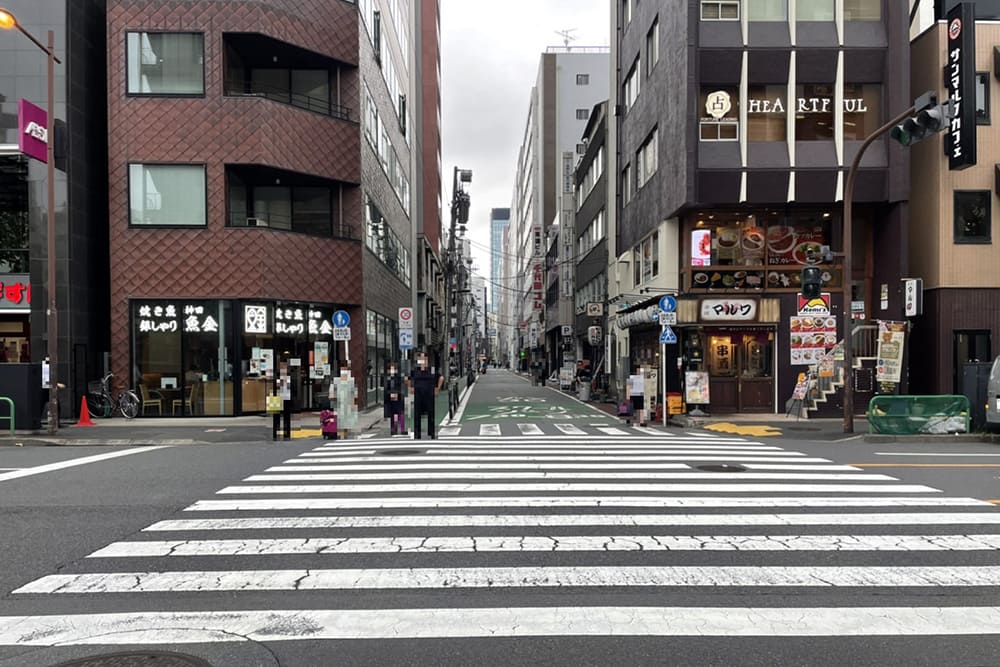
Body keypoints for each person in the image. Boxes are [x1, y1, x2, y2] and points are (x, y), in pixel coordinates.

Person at [408, 352, 443, 439]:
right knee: (417, 415)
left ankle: (431, 433)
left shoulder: (432, 369)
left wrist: (437, 388)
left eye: (424, 359)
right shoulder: (415, 370)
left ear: (427, 360)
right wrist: (410, 387)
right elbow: (407, 379)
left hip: (429, 395)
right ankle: (417, 433)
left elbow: (441, 378)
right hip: (418, 395)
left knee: (431, 414)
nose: (423, 361)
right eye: (421, 359)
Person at [383, 362, 406, 435]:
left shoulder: (399, 378)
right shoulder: (387, 379)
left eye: (394, 369)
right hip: (390, 398)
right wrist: (390, 394)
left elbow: (401, 387)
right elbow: (386, 389)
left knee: (400, 413)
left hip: (398, 398)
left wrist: (397, 394)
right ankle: (393, 429)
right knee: (392, 414)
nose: (392, 371)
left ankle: (402, 429)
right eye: (391, 369)